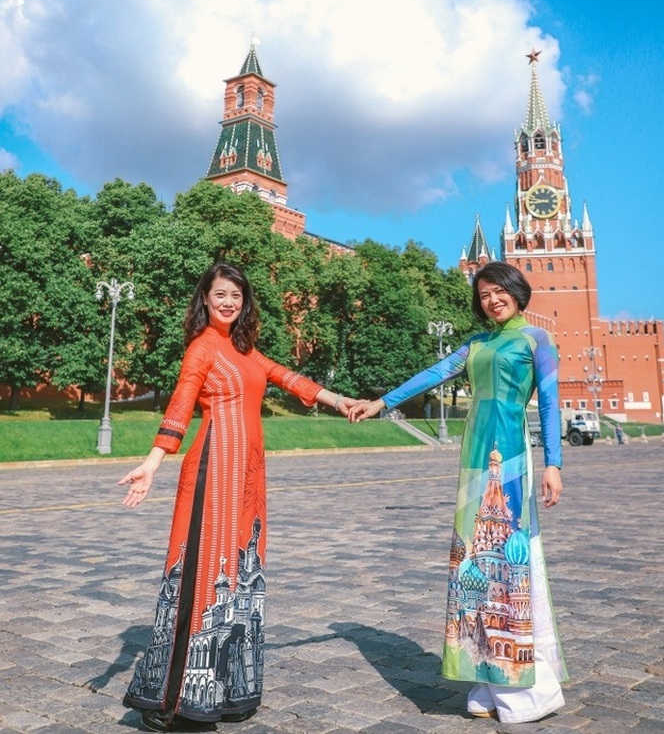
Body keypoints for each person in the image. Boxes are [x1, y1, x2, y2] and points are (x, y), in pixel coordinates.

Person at [119, 262, 353, 733]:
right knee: (204, 577)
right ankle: (179, 703)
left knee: (242, 576)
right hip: (213, 471)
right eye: (220, 294)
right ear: (205, 297)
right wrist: (152, 462)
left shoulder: (245, 351)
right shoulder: (203, 348)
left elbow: (289, 378)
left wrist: (339, 400)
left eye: (236, 297)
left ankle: (226, 693)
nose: (228, 302)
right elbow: (182, 403)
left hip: (248, 476)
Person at [349, 262, 568, 724]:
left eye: (499, 291)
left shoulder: (536, 341)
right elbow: (432, 374)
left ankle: (524, 686)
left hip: (509, 458)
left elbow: (549, 402)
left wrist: (554, 464)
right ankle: (485, 679)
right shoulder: (476, 344)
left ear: (516, 291)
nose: (492, 299)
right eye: (484, 293)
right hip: (472, 459)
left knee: (509, 567)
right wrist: (382, 402)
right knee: (470, 560)